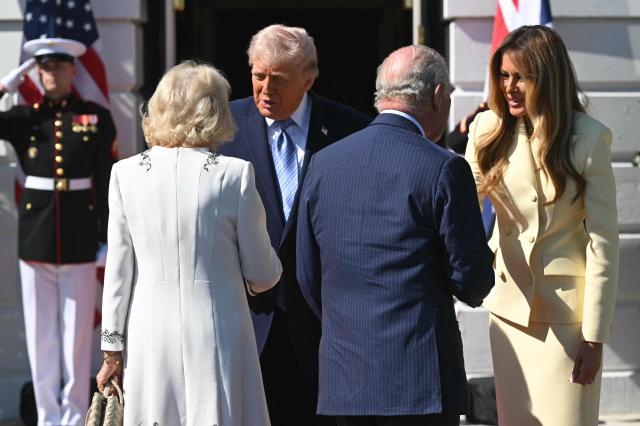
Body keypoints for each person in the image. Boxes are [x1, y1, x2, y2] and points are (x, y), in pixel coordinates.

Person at [296, 45, 495, 426]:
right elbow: (472, 282)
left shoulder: (323, 164)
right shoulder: (444, 168)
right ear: (438, 96)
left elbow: (308, 276)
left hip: (346, 381)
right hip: (420, 383)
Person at [95, 61, 282, 425]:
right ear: (215, 112)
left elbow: (118, 270)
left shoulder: (126, 174)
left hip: (149, 329)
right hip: (219, 325)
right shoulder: (234, 174)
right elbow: (262, 272)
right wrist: (262, 279)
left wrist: (111, 350)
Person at [464, 25, 619, 426]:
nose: (510, 87)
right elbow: (460, 212)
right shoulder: (486, 129)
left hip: (568, 323)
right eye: (503, 76)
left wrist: (594, 336)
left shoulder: (588, 139)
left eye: (521, 77)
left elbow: (603, 243)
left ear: (547, 77)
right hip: (509, 312)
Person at [217, 24, 370, 425]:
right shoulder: (222, 128)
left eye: (279, 79)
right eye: (258, 75)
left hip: (324, 319)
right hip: (248, 316)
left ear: (309, 77)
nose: (266, 89)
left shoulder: (348, 129)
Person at [0, 38, 115, 425]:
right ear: (37, 72)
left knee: (78, 338)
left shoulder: (95, 117)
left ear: (72, 70)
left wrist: (104, 235)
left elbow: (104, 179)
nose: (51, 74)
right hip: (36, 237)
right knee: (40, 335)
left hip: (81, 236)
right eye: (44, 68)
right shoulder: (23, 117)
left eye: (59, 67)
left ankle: (74, 417)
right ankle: (48, 417)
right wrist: (5, 85)